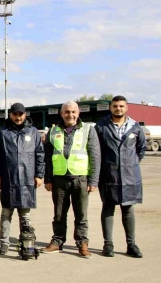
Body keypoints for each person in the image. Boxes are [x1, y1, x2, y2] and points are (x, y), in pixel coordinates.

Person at [42, 101, 100, 258]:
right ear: (61, 114)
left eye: (73, 112)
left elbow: (95, 155)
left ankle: (82, 243)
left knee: (81, 214)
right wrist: (48, 178)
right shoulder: (53, 131)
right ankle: (57, 241)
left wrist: (93, 180)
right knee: (59, 214)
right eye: (67, 112)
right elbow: (47, 156)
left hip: (80, 178)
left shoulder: (88, 130)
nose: (70, 115)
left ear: (78, 113)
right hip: (59, 179)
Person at [94, 95, 146, 258]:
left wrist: (130, 164)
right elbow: (96, 151)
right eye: (115, 106)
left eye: (121, 106)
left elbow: (141, 149)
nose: (118, 109)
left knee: (128, 210)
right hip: (109, 175)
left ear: (126, 108)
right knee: (108, 208)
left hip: (130, 177)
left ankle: (131, 245)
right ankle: (108, 244)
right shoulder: (101, 126)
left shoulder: (135, 127)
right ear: (110, 107)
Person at [0, 103, 45, 255]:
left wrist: (39, 175)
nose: (18, 117)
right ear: (10, 115)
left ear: (25, 114)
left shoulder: (33, 132)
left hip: (27, 179)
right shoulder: (3, 133)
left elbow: (40, 154)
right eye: (15, 114)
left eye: (21, 114)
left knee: (25, 213)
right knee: (6, 212)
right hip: (8, 179)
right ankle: (4, 242)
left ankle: (25, 240)